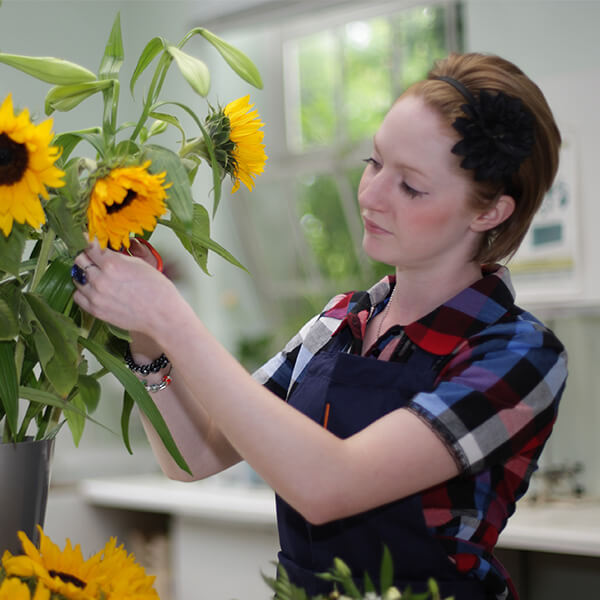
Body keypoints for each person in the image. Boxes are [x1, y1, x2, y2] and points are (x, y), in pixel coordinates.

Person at [72, 52, 567, 600]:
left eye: (412, 187)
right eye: (374, 162)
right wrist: (148, 341)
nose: (371, 195)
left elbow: (329, 485)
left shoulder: (517, 354)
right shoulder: (340, 323)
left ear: (490, 212)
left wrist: (171, 316)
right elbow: (196, 455)